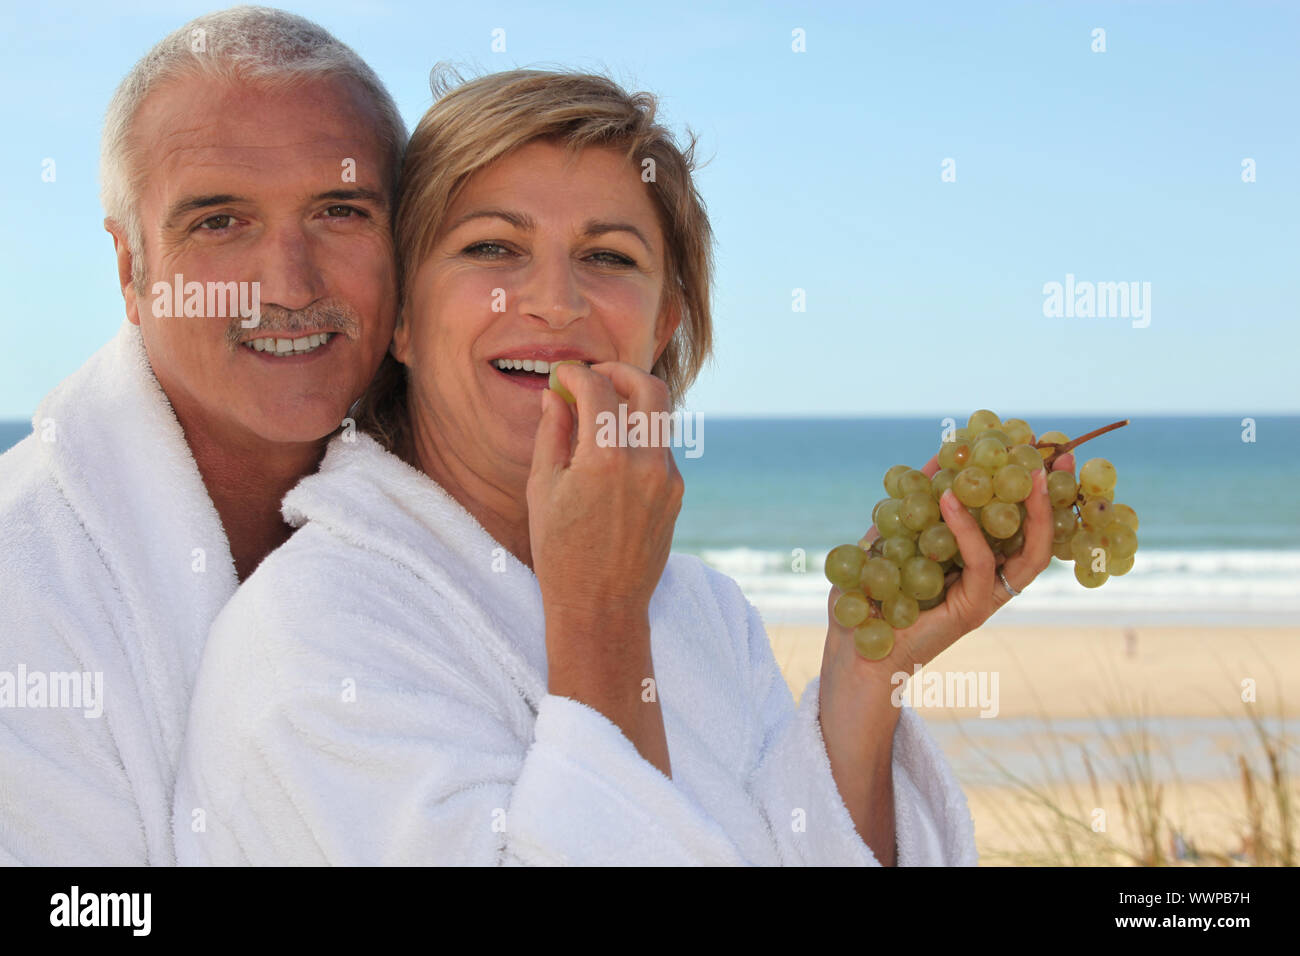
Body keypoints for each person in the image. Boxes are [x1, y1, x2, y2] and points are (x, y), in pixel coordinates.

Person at [176, 68, 1070, 866]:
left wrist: (861, 683)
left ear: (663, 326)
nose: (555, 302)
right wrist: (596, 613)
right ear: (403, 317)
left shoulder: (705, 615)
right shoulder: (314, 637)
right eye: (492, 247)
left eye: (608, 258)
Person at [0, 6, 404, 865]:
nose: (289, 285)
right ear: (130, 267)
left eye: (339, 210)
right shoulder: (21, 585)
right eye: (220, 222)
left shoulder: (461, 526)